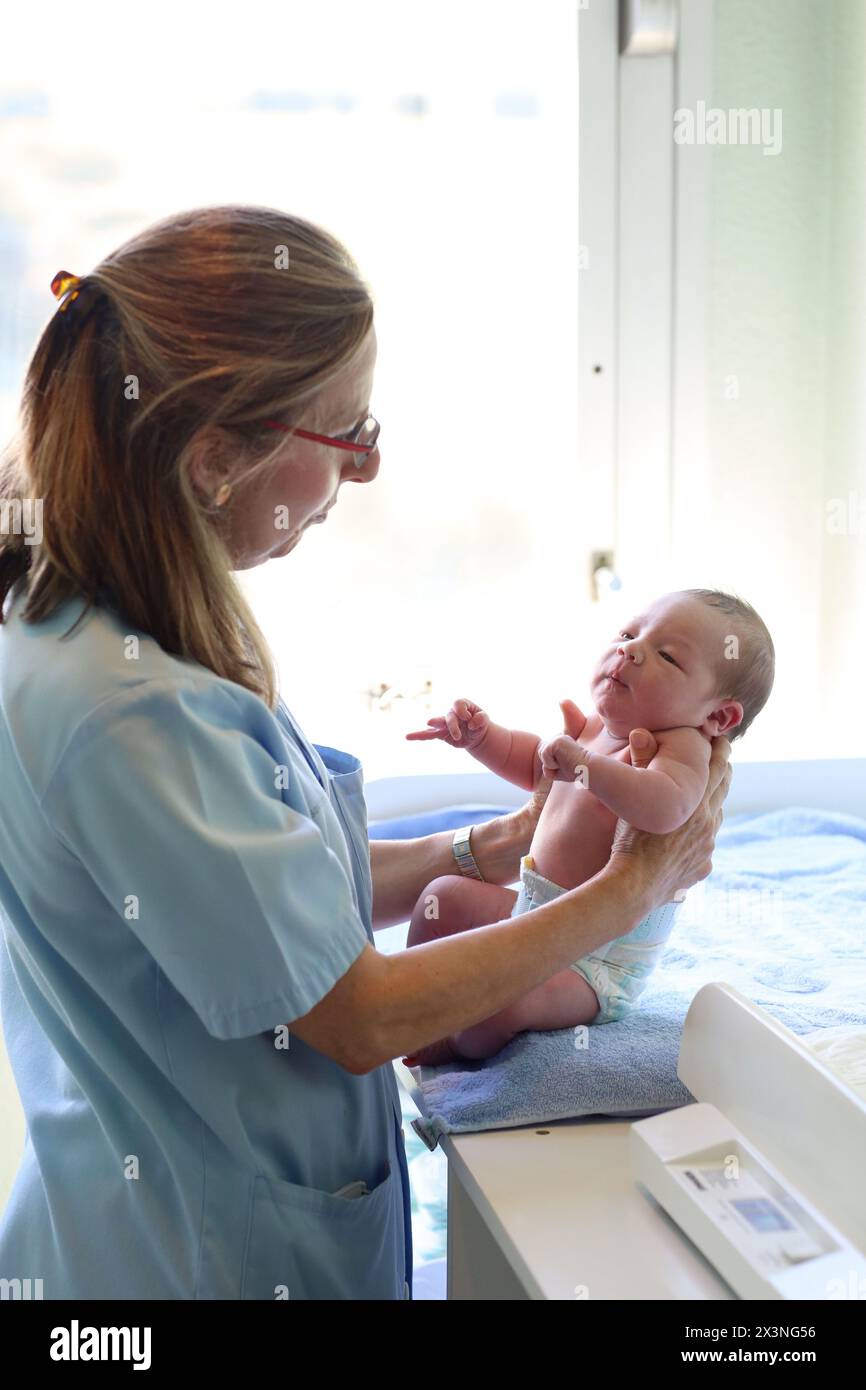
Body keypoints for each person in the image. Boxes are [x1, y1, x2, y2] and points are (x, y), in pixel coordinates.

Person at [0, 205, 732, 1300]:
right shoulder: (132, 710)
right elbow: (359, 1014)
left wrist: (487, 845)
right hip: (197, 1257)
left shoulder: (106, 626)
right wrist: (630, 892)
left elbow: (266, 908)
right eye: (349, 434)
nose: (372, 469)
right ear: (214, 457)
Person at [404, 589, 773, 1062]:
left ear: (718, 715)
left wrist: (586, 766)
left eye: (667, 655)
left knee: (500, 1001)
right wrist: (484, 739)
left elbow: (666, 806)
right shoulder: (597, 726)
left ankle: (457, 1045)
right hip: (532, 914)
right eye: (629, 634)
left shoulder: (683, 747)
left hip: (593, 963)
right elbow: (538, 767)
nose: (630, 650)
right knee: (440, 898)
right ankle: (414, 1022)